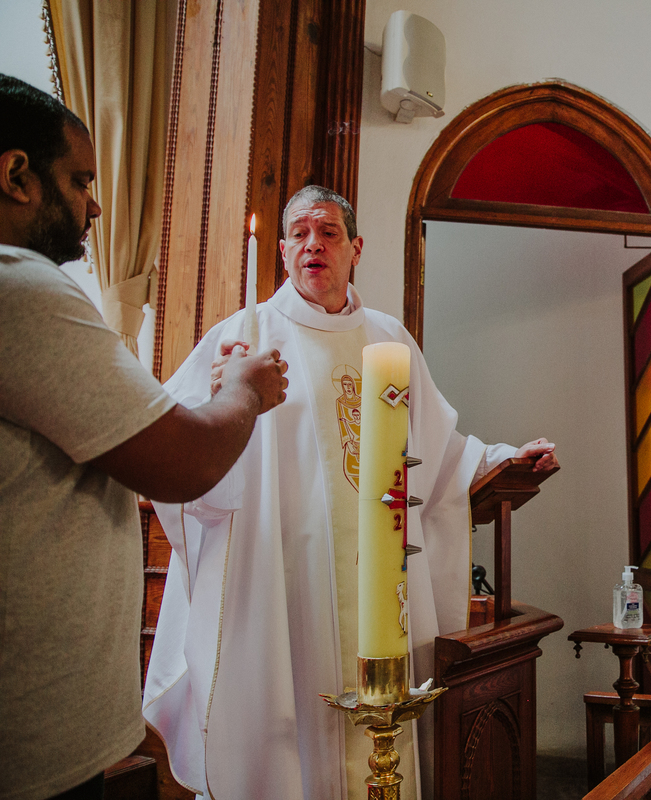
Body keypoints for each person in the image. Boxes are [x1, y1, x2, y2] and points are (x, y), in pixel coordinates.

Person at [142, 185, 559, 800]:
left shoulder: (389, 338)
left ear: (355, 247)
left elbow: (439, 450)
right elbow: (172, 448)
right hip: (284, 585)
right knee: (288, 731)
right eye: (300, 234)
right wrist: (215, 399)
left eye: (329, 232)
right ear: (283, 250)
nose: (314, 244)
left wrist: (501, 461)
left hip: (379, 590)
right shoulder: (241, 336)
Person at [0, 75, 287, 800]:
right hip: (34, 753)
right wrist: (245, 391)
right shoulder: (20, 288)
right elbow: (183, 458)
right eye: (81, 179)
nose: (96, 203)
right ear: (15, 175)